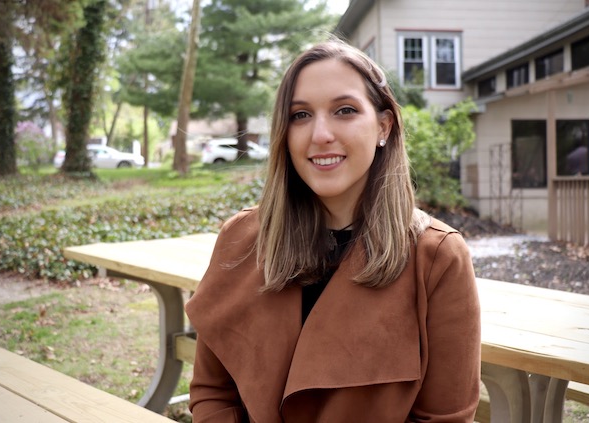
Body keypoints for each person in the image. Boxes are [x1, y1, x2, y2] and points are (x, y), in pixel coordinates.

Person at [185, 39, 481, 422]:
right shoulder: (240, 239)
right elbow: (212, 393)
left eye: (344, 110)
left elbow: (445, 418)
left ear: (383, 126)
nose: (320, 134)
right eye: (300, 115)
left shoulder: (437, 258)